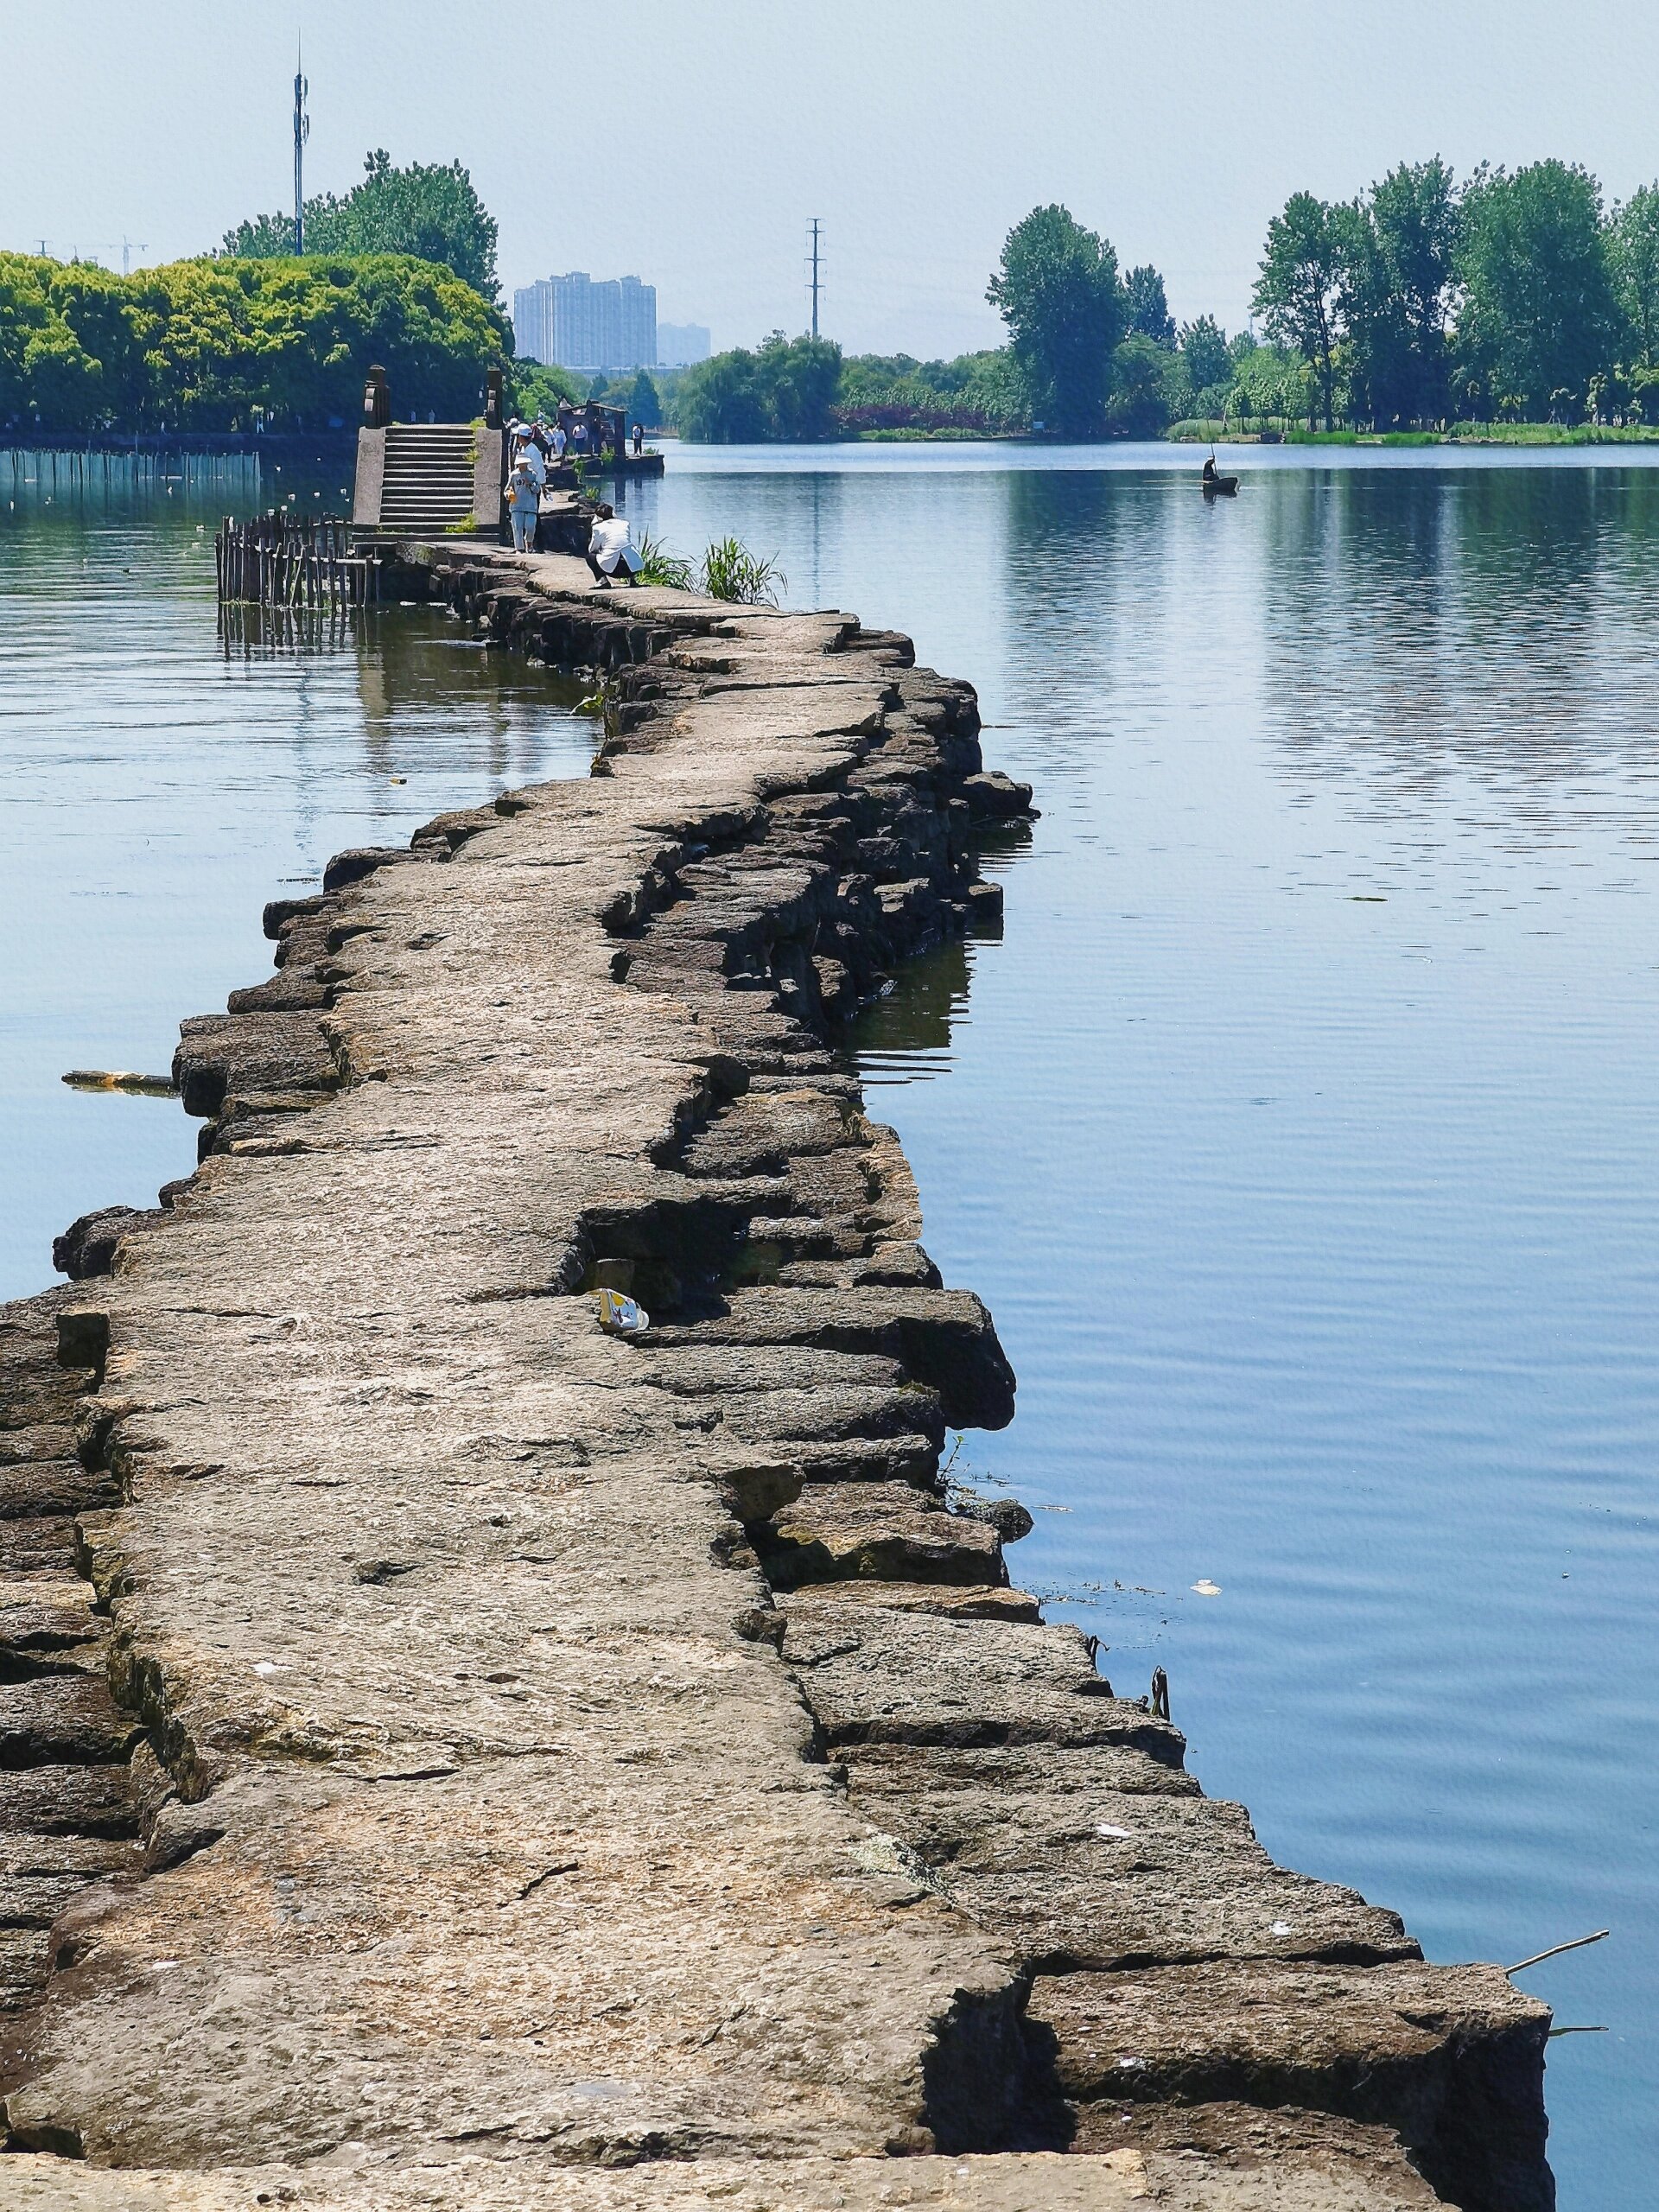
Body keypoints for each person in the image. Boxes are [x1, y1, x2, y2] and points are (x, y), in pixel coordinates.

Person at [586, 503, 641, 588]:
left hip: (613, 570)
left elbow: (592, 549)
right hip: (633, 568)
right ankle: (632, 580)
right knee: (628, 549)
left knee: (590, 557)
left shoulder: (598, 528)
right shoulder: (625, 524)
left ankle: (602, 581)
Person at [505, 454, 540, 552]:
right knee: (517, 528)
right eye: (521, 464)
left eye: (524, 464)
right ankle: (519, 548)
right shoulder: (514, 475)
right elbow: (507, 489)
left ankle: (529, 543)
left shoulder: (532, 474)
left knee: (530, 527)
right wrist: (509, 495)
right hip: (516, 505)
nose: (522, 466)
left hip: (530, 505)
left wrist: (530, 483)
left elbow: (537, 490)